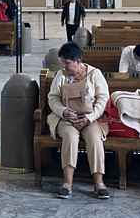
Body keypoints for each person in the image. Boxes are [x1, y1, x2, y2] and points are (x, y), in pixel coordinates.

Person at [46, 43, 110, 200]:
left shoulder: (95, 74)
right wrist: (64, 111)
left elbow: (103, 99)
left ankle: (99, 183)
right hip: (66, 118)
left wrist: (90, 117)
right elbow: (53, 98)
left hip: (91, 118)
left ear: (78, 61)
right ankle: (67, 183)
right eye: (63, 62)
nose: (65, 66)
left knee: (95, 138)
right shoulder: (61, 75)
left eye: (67, 63)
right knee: (70, 136)